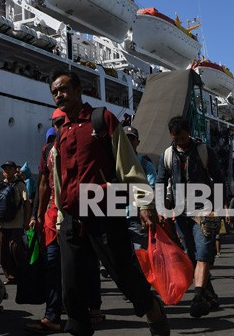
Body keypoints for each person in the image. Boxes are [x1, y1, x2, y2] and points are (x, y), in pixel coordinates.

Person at [48, 70, 168, 336]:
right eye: (55, 91)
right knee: (70, 284)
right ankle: (79, 330)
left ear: (79, 91)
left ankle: (152, 309)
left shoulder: (101, 119)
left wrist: (145, 203)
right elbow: (59, 178)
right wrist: (59, 216)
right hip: (71, 214)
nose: (59, 95)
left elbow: (128, 164)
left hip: (105, 204)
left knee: (123, 273)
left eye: (64, 89)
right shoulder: (61, 131)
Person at [27, 113, 104, 334]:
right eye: (57, 124)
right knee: (52, 266)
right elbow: (43, 183)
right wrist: (39, 215)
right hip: (54, 215)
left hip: (83, 212)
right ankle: (52, 315)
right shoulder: (47, 151)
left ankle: (90, 309)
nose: (61, 128)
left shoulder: (85, 143)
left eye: (64, 123)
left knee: (86, 265)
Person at [155, 115, 225, 318]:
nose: (181, 143)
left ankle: (198, 298)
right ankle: (209, 295)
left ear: (189, 132)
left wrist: (217, 208)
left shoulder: (204, 150)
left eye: (183, 138)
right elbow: (160, 182)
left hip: (204, 211)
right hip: (181, 214)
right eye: (176, 139)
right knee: (192, 256)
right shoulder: (167, 155)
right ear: (171, 135)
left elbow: (219, 179)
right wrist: (161, 208)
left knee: (203, 254)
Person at [0, 160, 30, 284]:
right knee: (3, 250)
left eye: (9, 168)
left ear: (15, 170)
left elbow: (26, 203)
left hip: (16, 222)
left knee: (15, 247)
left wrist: (27, 220)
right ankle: (10, 276)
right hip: (2, 223)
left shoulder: (20, 185)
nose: (7, 171)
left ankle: (23, 273)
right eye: (5, 168)